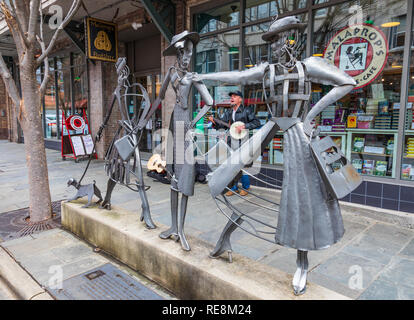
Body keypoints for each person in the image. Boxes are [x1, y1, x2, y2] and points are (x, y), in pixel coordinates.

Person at [199, 15, 357, 295]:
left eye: (280, 39)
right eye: (272, 40)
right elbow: (237, 76)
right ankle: (227, 235)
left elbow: (346, 82)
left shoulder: (309, 65)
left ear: (291, 40)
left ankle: (301, 263)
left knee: (303, 196)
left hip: (297, 129)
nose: (275, 46)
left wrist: (312, 113)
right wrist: (203, 76)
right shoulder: (266, 70)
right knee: (225, 172)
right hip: (273, 124)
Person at [137, 30, 214, 251]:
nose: (187, 57)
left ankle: (180, 229)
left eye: (190, 52)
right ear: (178, 54)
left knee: (186, 177)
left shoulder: (192, 77)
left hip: (184, 125)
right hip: (173, 123)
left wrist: (194, 121)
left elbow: (209, 101)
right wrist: (144, 121)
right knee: (172, 177)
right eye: (184, 52)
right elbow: (158, 99)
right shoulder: (171, 75)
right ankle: (172, 226)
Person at [208, 90, 260, 196]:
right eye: (231, 96)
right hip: (232, 141)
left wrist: (244, 126)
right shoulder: (229, 112)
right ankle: (234, 187)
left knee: (244, 165)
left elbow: (256, 122)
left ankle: (246, 187)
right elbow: (222, 125)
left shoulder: (247, 110)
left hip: (244, 141)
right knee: (232, 165)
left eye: (235, 96)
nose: (232, 98)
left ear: (240, 99)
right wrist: (215, 123)